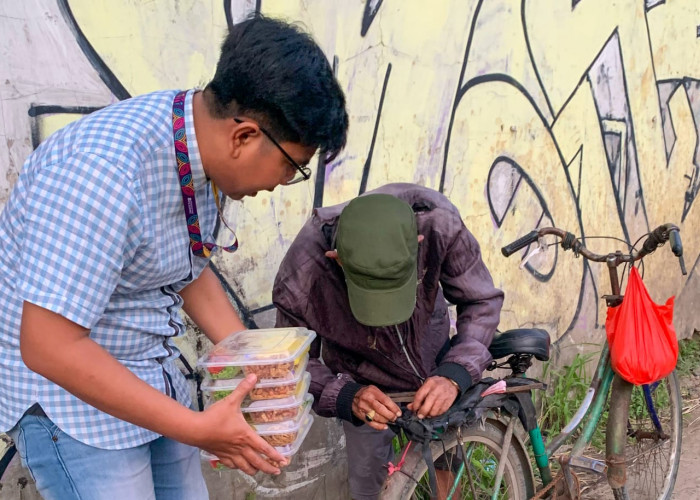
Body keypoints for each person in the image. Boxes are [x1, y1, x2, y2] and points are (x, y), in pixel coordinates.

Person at [0, 14, 347, 500]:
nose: (281, 184)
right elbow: (48, 345)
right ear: (244, 136)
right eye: (292, 168)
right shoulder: (101, 172)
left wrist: (259, 374)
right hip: (74, 405)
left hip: (152, 375)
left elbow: (185, 266)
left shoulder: (192, 151)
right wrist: (197, 428)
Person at [273, 183, 503, 500]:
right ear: (336, 259)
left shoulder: (436, 223)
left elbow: (481, 301)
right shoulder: (304, 269)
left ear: (418, 244)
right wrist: (347, 396)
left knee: (448, 462)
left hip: (434, 366)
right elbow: (291, 359)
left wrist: (455, 372)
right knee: (368, 486)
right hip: (364, 384)